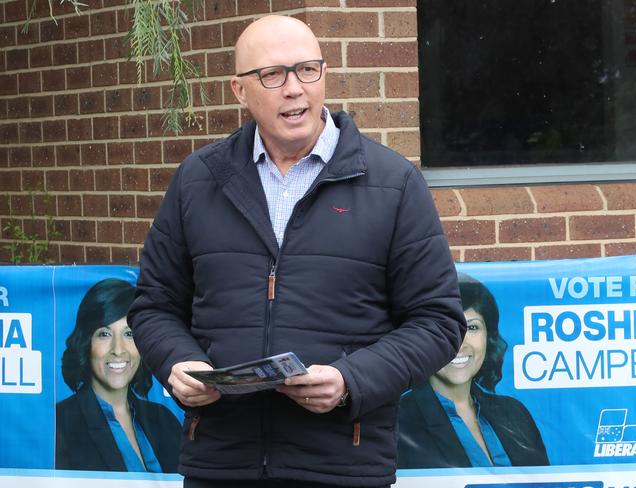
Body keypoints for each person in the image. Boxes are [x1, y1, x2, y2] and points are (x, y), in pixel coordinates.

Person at [128, 14, 466, 488]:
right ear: (240, 91)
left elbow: (437, 321)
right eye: (272, 74)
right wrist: (177, 363)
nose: (294, 88)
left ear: (324, 75)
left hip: (342, 465)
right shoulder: (197, 180)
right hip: (221, 463)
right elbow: (154, 305)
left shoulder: (394, 183)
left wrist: (352, 380)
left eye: (308, 69)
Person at [397, 273, 549, 468]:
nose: (460, 343)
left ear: (489, 337)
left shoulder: (515, 414)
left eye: (472, 327)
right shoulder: (399, 422)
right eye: (445, 328)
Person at [56, 278, 181, 472]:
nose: (118, 350)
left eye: (129, 334)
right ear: (86, 342)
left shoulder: (163, 419)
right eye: (104, 334)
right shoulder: (61, 423)